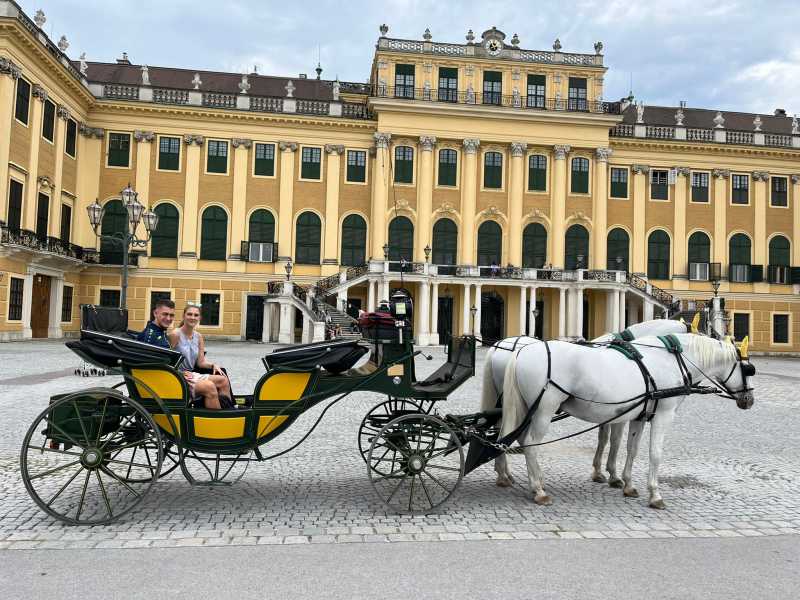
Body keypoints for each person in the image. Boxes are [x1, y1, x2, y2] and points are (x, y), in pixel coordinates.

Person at [168, 303, 232, 410]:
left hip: (192, 374)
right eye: (189, 314)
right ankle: (215, 420)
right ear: (183, 316)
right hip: (179, 377)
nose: (192, 317)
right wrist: (179, 372)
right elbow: (167, 360)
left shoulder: (198, 336)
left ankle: (228, 411)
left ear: (199, 318)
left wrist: (213, 365)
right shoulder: (175, 334)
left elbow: (200, 363)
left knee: (223, 380)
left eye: (196, 315)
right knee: (209, 386)